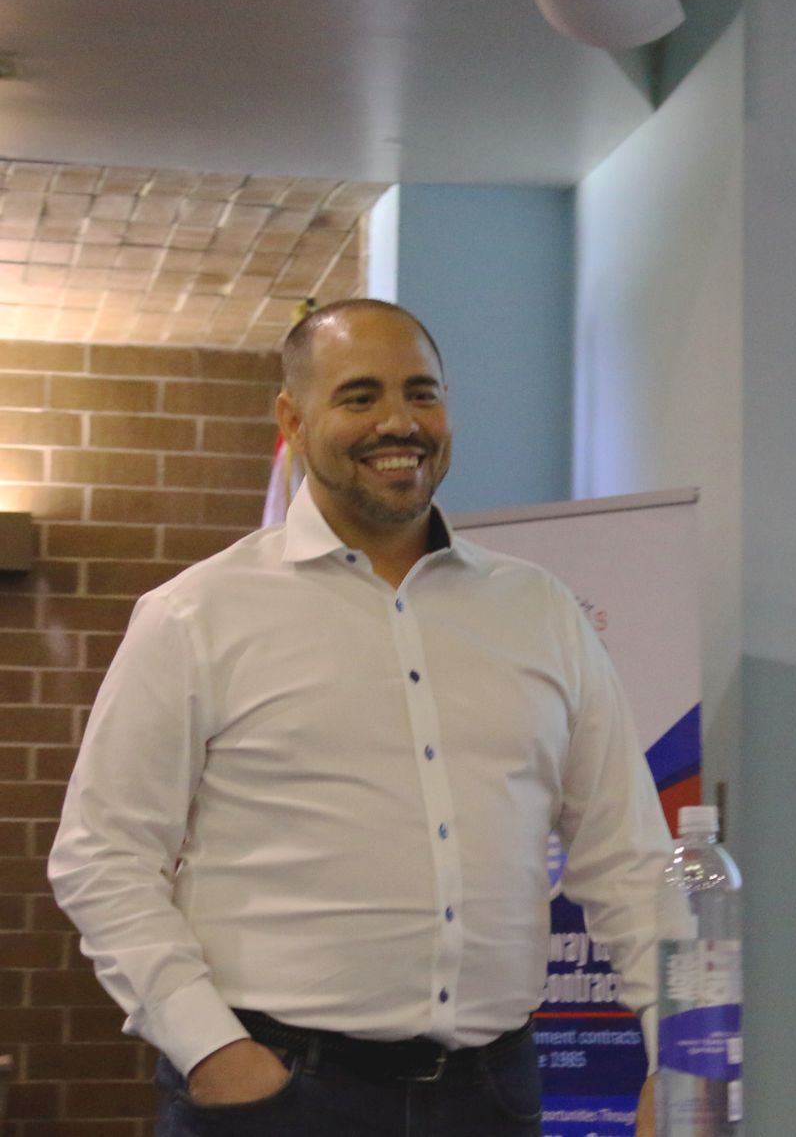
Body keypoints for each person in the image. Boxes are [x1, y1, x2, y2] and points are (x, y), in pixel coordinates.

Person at [49, 299, 670, 1136]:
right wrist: (210, 1049)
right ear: (293, 420)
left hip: (493, 1095)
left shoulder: (540, 610)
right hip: (277, 1094)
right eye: (359, 396)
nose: (397, 422)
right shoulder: (196, 614)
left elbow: (626, 854)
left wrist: (681, 1046)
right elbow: (102, 855)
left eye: (422, 393)